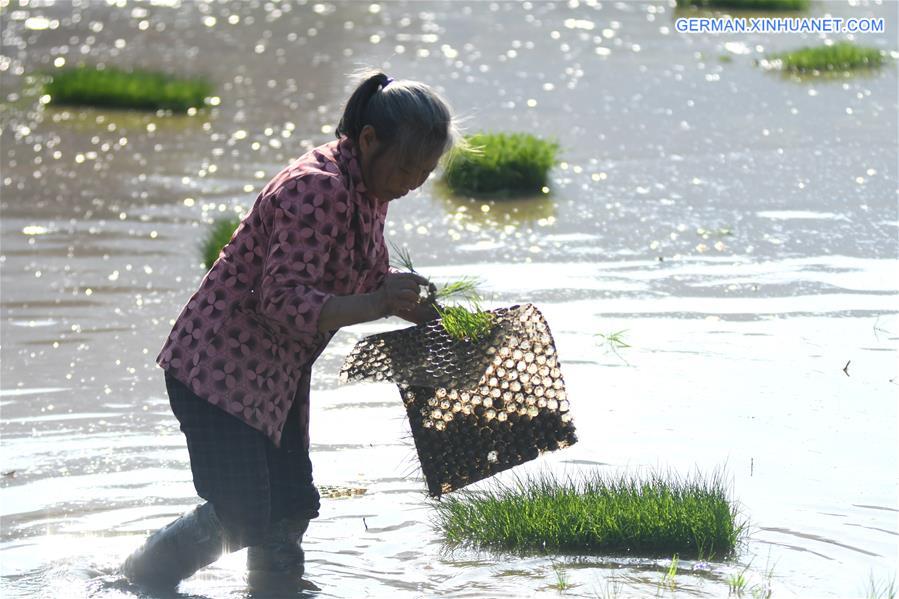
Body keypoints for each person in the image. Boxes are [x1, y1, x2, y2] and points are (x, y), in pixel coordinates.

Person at [121, 71, 459, 591]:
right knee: (239, 513)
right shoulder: (315, 188)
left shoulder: (370, 187)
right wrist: (376, 302)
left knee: (289, 501)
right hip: (216, 370)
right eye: (408, 167)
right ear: (369, 139)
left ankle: (275, 589)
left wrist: (399, 298)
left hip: (274, 376)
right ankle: (138, 580)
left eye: (425, 172)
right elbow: (282, 299)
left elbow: (347, 271)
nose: (413, 182)